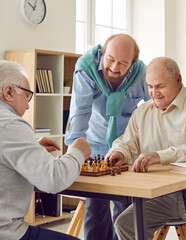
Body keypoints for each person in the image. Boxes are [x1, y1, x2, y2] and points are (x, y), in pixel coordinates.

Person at [0, 60, 91, 240]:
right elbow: (54, 180)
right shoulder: (9, 123)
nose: (27, 105)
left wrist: (33, 147)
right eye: (27, 96)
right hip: (0, 234)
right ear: (8, 91)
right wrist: (77, 151)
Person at [106, 57, 186, 240]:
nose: (153, 93)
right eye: (149, 86)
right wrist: (120, 152)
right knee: (125, 224)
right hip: (160, 195)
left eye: (159, 86)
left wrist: (160, 156)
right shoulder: (141, 113)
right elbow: (126, 143)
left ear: (178, 80)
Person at [65, 33, 150, 240]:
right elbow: (79, 112)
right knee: (95, 203)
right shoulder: (86, 69)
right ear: (102, 53)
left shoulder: (142, 73)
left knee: (126, 202)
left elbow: (153, 109)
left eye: (123, 63)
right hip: (94, 140)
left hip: (127, 144)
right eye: (110, 60)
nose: (114, 68)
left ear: (133, 63)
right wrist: (71, 155)